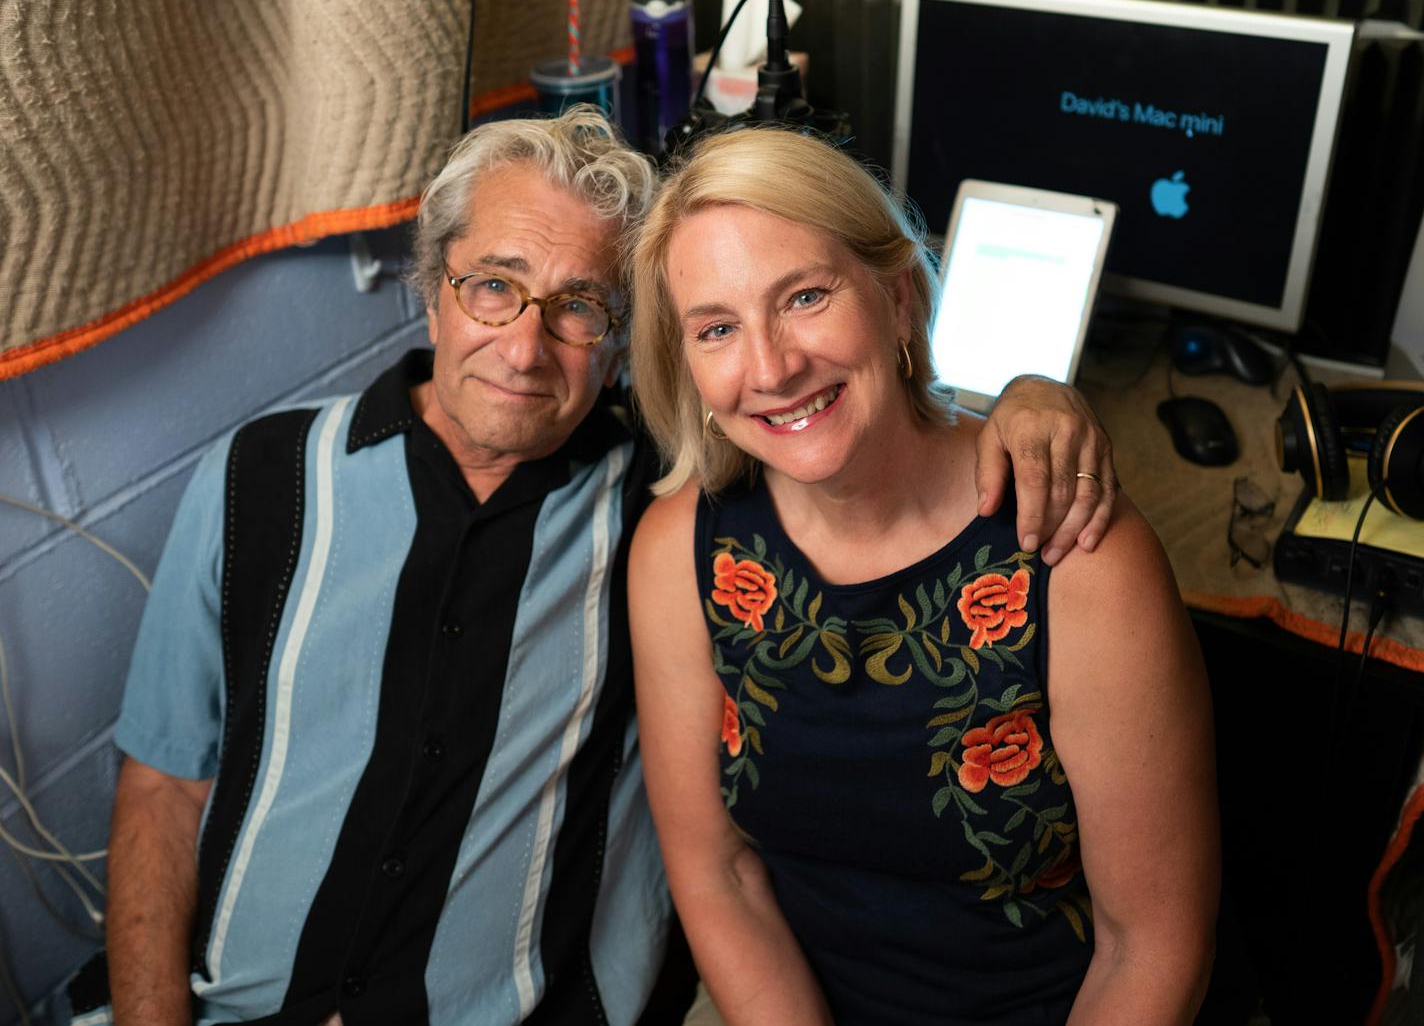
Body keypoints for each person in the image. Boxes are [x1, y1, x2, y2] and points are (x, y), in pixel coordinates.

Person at [73, 108, 1121, 1026]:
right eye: (493, 287)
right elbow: (162, 786)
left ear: (627, 345)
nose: (527, 349)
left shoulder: (666, 508)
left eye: (581, 307)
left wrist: (1033, 397)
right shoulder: (258, 478)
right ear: (429, 291)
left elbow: (825, 420)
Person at [626, 126, 1219, 1025]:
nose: (773, 367)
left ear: (898, 298)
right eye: (717, 328)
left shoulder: (1070, 547)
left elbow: (1152, 946)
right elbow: (720, 877)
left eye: (806, 297)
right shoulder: (680, 553)